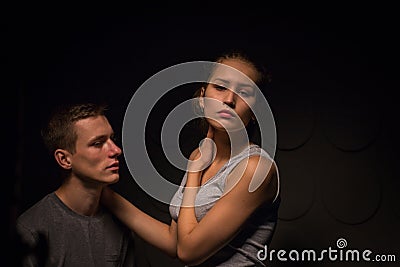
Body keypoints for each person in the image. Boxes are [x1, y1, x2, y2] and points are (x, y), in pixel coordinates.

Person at [101, 50, 280, 266]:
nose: (229, 100)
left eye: (244, 92)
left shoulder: (254, 169)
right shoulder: (202, 156)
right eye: (220, 87)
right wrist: (104, 196)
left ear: (255, 111)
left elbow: (188, 251)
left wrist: (194, 171)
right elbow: (173, 242)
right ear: (203, 97)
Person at [15, 102, 136, 267]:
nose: (116, 150)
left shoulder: (120, 224)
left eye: (112, 139)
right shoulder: (31, 229)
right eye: (97, 143)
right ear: (64, 159)